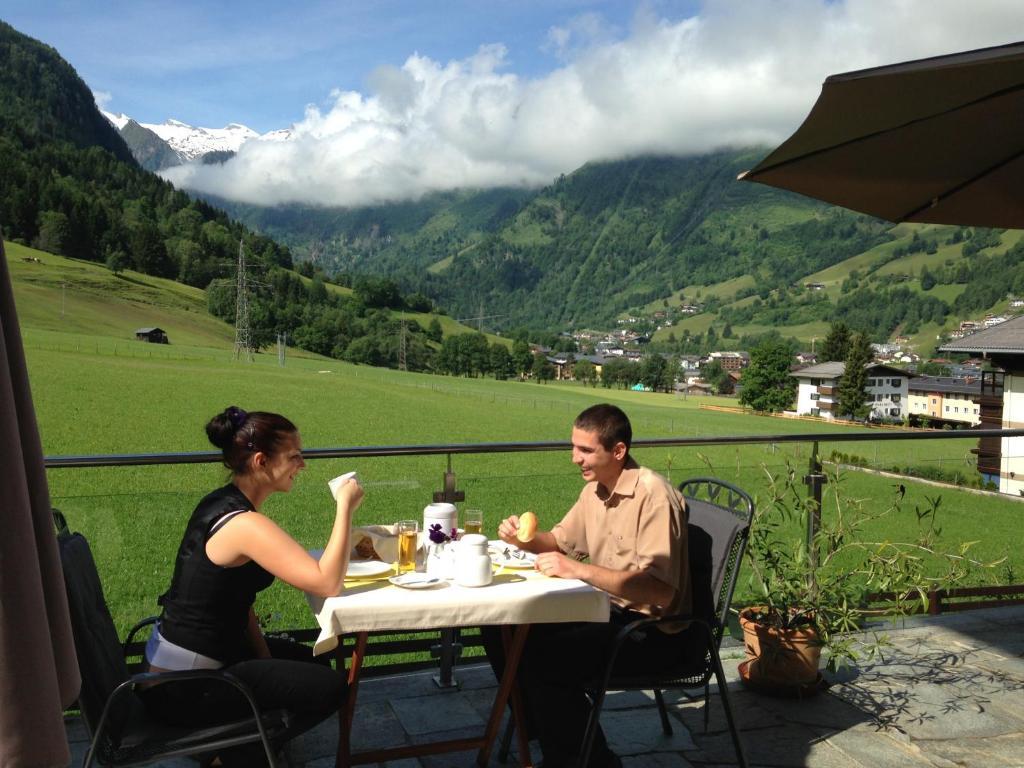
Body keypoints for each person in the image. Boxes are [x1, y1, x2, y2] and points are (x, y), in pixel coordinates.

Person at [484, 403, 705, 768]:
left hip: (653, 635)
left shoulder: (653, 497)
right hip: (607, 613)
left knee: (543, 659)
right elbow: (558, 541)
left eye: (585, 450)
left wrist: (579, 571)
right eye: (573, 447)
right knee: (502, 627)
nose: (575, 458)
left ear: (618, 451)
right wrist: (523, 540)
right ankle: (549, 734)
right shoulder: (596, 491)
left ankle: (587, 759)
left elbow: (660, 591)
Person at [141, 406, 359, 767]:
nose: (302, 465)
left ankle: (247, 744)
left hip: (174, 669)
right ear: (260, 461)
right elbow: (326, 582)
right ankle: (232, 750)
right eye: (294, 456)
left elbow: (239, 603)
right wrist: (345, 507)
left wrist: (264, 659)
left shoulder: (220, 501)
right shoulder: (243, 524)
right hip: (186, 688)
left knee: (311, 662)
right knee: (332, 687)